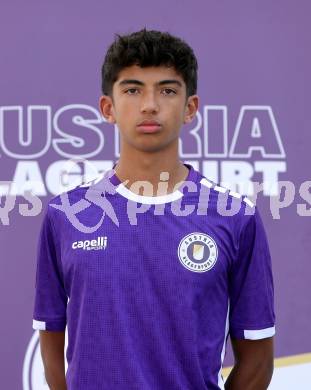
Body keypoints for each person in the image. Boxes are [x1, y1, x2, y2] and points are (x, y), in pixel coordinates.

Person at [32, 28, 275, 390]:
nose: (149, 104)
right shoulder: (65, 215)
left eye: (167, 90)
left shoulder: (235, 216)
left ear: (190, 108)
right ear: (108, 108)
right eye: (132, 90)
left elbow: (257, 361)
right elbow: (52, 347)